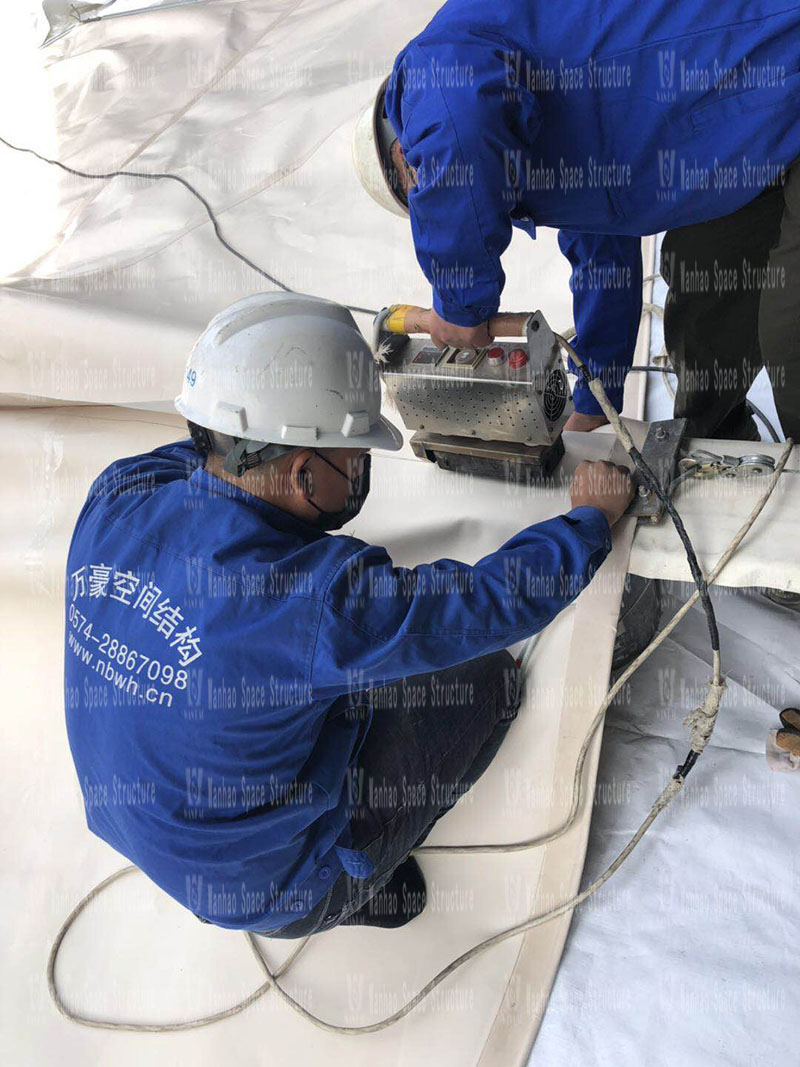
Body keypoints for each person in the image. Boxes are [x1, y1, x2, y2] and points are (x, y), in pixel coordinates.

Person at [64, 292, 633, 936]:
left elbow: (214, 447)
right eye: (357, 457)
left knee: (302, 692)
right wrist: (591, 517)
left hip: (135, 826)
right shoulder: (317, 604)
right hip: (267, 889)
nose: (362, 470)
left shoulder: (118, 492)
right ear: (303, 469)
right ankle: (353, 888)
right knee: (486, 679)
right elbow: (485, 603)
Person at [352, 0, 800, 441]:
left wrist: (458, 303)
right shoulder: (547, 155)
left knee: (791, 339)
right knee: (703, 279)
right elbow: (603, 255)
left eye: (421, 188)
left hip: (777, 55)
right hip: (750, 143)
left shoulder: (431, 71)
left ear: (401, 145)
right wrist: (594, 400)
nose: (432, 190)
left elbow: (459, 131)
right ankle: (723, 459)